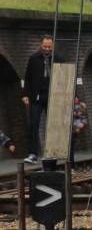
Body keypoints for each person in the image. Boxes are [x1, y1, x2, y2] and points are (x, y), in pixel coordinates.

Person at [21, 35, 57, 164]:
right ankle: (33, 154)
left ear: (52, 46)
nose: (47, 49)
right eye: (45, 46)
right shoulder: (34, 58)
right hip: (36, 96)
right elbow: (28, 76)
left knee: (52, 125)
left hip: (53, 96)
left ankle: (52, 152)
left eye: (49, 47)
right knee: (34, 124)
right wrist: (25, 94)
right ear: (41, 45)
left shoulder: (58, 58)